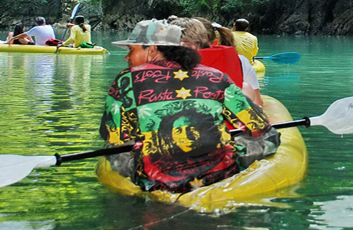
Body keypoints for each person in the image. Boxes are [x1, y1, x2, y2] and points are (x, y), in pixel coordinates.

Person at [99, 19, 277, 194]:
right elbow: (259, 126)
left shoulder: (125, 80)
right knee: (268, 137)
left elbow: (113, 136)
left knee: (114, 150)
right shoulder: (216, 76)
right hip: (217, 175)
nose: (127, 57)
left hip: (157, 181)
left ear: (152, 50)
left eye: (131, 50)